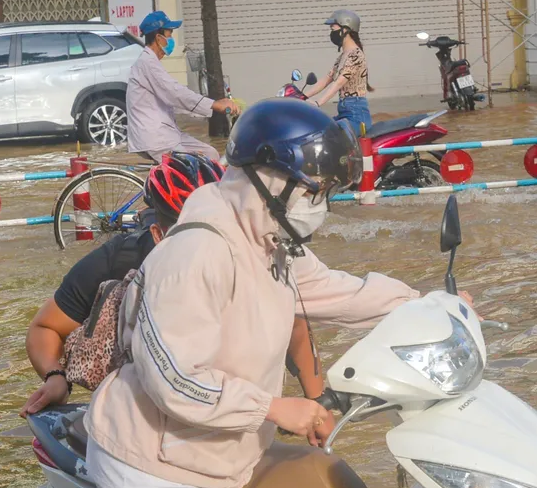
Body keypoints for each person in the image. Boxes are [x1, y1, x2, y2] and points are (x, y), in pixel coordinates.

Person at [83, 99, 423, 488]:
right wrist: (275, 407)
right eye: (313, 190)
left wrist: (425, 306)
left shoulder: (269, 241)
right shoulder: (197, 252)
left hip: (195, 452)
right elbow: (174, 379)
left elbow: (336, 291)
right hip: (148, 459)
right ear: (269, 181)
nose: (321, 205)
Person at [19, 153, 330, 420]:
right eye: (195, 230)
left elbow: (295, 326)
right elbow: (45, 327)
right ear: (158, 234)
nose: (212, 239)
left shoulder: (253, 249)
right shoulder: (118, 260)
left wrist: (316, 406)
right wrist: (55, 376)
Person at [126, 11, 239, 163]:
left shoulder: (151, 63)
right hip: (156, 138)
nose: (171, 39)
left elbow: (174, 101)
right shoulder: (148, 64)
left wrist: (202, 109)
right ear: (159, 38)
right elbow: (175, 93)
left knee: (210, 154)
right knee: (193, 166)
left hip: (167, 133)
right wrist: (214, 104)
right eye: (169, 34)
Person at [303, 10, 373, 137]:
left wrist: (319, 102)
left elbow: (339, 82)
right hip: (345, 112)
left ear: (346, 29)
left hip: (356, 116)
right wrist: (301, 97)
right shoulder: (342, 57)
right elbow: (327, 79)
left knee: (331, 137)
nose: (331, 33)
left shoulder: (356, 55)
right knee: (317, 130)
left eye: (333, 28)